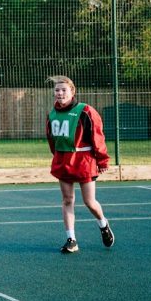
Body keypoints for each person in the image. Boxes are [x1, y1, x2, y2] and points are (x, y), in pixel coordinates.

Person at [46, 75, 115, 253]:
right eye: (57, 90)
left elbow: (97, 137)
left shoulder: (85, 111)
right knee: (67, 200)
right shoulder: (52, 114)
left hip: (83, 161)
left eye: (63, 90)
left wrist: (102, 159)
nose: (60, 93)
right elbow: (52, 140)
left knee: (89, 201)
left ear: (72, 92)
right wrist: (58, 157)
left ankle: (103, 224)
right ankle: (71, 239)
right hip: (63, 161)